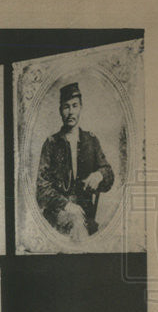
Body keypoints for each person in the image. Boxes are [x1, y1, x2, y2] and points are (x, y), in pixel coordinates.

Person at [35, 82, 115, 241]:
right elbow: (41, 188)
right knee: (77, 225)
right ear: (60, 111)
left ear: (81, 107)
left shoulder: (91, 141)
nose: (71, 112)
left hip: (86, 213)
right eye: (66, 107)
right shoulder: (51, 143)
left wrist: (99, 175)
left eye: (74, 106)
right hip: (58, 213)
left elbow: (109, 174)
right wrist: (66, 205)